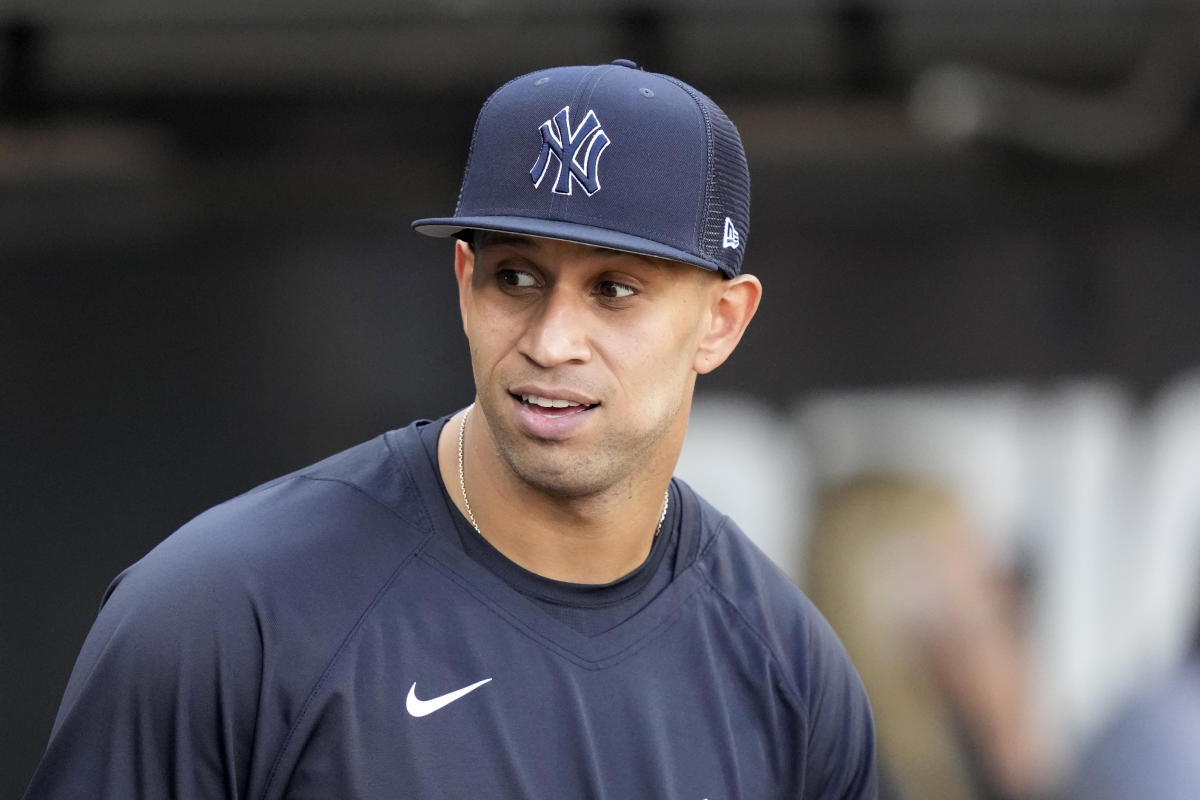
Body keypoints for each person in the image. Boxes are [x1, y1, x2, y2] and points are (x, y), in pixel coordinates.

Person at [23, 59, 877, 799]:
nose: (549, 341)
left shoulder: (786, 668)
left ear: (722, 322)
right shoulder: (224, 615)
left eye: (615, 289)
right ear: (465, 281)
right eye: (516, 277)